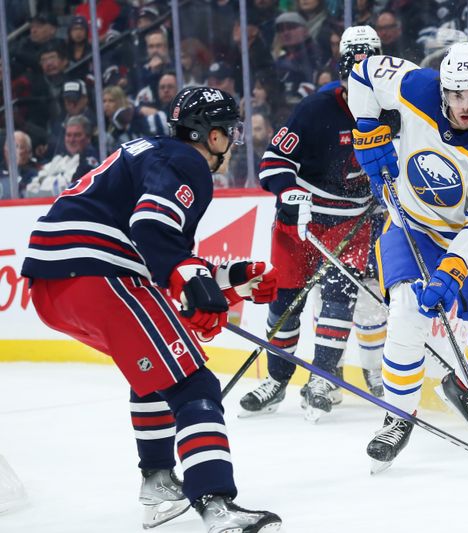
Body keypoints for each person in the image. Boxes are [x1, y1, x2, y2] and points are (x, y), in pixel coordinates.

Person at [20, 86, 283, 533]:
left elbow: (160, 252)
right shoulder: (186, 162)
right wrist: (195, 283)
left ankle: (159, 484)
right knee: (192, 380)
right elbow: (152, 227)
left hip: (57, 281)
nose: (233, 141)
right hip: (96, 271)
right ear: (211, 136)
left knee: (156, 374)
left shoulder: (153, 154)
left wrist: (228, 279)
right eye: (229, 132)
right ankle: (216, 505)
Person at [348, 41, 468, 471]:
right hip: (412, 225)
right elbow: (364, 72)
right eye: (457, 95)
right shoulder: (416, 86)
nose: (466, 107)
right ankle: (398, 417)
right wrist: (367, 126)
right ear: (443, 90)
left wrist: (453, 268)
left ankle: (463, 384)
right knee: (408, 310)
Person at [239, 26, 385, 421]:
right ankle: (276, 379)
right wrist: (287, 194)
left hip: (350, 222)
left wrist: (387, 195)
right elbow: (273, 162)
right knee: (283, 305)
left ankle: (322, 378)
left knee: (340, 301)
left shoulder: (394, 111)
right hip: (300, 220)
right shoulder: (315, 109)